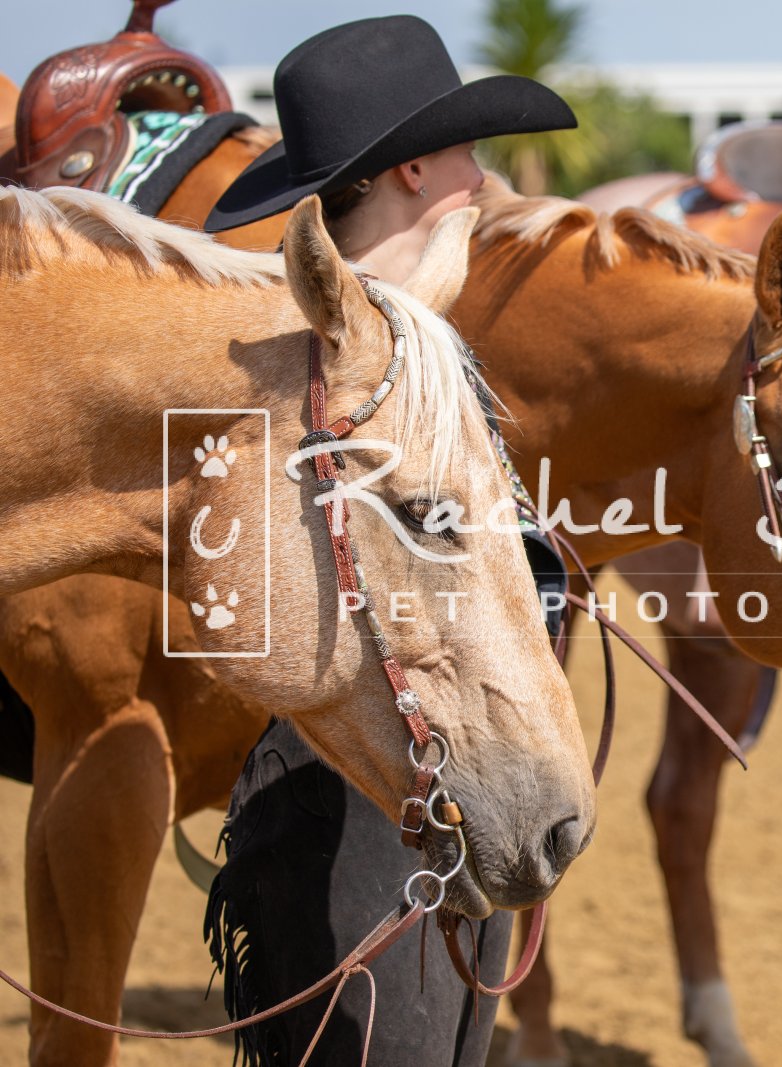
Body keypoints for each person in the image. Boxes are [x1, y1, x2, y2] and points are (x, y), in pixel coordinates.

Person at [201, 15, 575, 1065]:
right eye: (468, 156)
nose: (482, 182)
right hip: (347, 797)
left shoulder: (418, 354)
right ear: (414, 169)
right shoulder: (301, 370)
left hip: (450, 783)